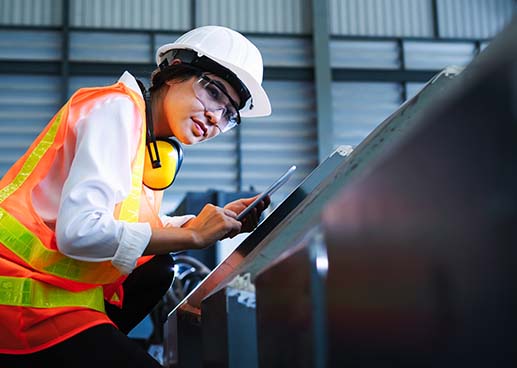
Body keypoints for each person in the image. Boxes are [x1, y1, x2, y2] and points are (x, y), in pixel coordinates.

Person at [0, 25, 271, 367]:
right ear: (174, 70)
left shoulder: (148, 143)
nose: (215, 117)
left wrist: (208, 223)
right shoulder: (117, 109)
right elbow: (78, 232)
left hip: (62, 298)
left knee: (159, 265)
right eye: (214, 92)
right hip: (21, 302)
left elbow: (130, 224)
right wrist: (192, 235)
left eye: (229, 115)